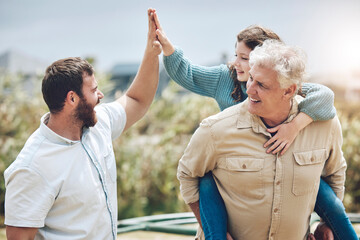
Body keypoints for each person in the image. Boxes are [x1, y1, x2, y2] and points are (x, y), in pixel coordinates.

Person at [150, 9, 357, 240]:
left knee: (313, 182)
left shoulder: (293, 89)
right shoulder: (224, 82)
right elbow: (188, 74)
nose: (236, 64)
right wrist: (167, 47)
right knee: (207, 182)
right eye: (236, 56)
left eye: (244, 58)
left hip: (290, 173)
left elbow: (324, 97)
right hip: (224, 164)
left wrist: (295, 126)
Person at [4, 9, 161, 240]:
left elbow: (137, 100)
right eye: (94, 90)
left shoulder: (99, 124)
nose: (101, 94)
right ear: (72, 98)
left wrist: (151, 48)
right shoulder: (32, 167)